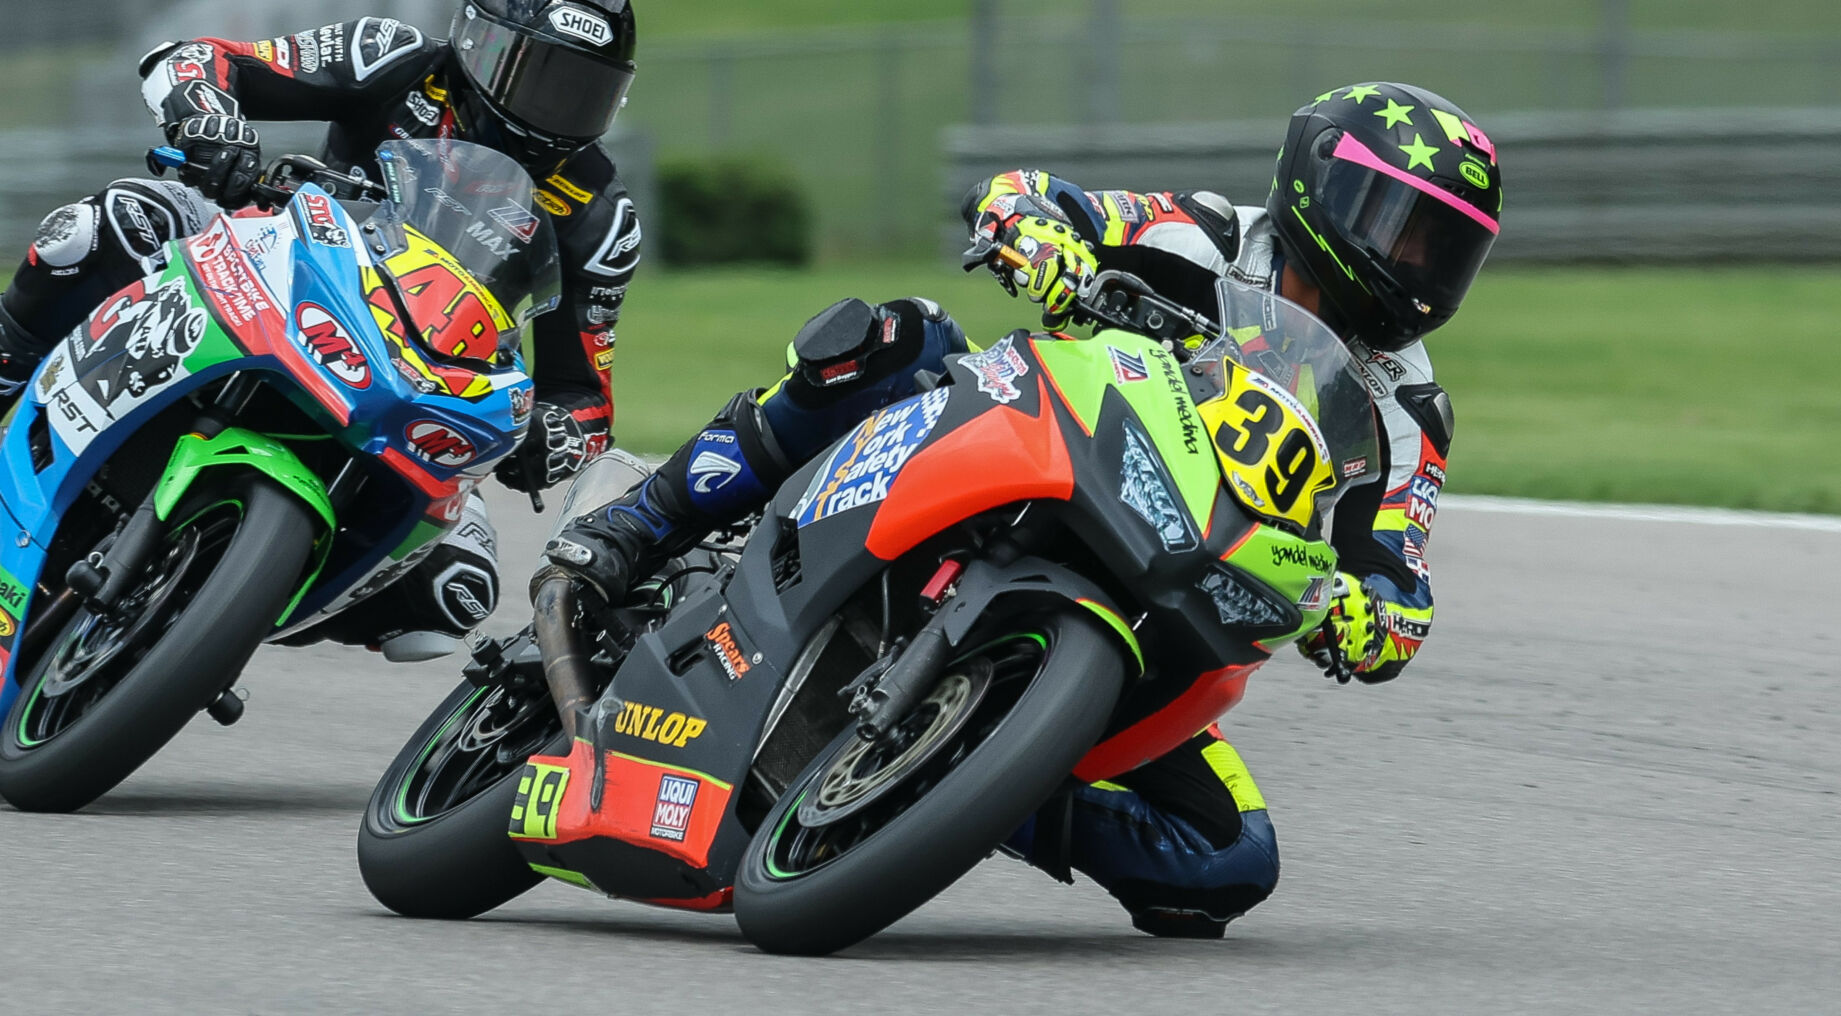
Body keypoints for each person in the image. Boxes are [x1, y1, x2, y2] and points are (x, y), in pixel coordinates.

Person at [543, 82, 1502, 937]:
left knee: (1229, 859)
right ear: (1320, 190)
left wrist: (1369, 615)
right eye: (1402, 226)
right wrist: (1038, 236)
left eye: (1446, 250)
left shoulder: (1409, 410)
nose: (1418, 266)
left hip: (1162, 592)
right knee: (898, 339)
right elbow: (1033, 197)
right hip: (1033, 442)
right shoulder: (1207, 233)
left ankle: (969, 775)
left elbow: (1398, 576)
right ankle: (646, 520)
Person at [0, 2, 644, 659]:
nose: (551, 107)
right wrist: (211, 121)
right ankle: (6, 374)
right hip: (271, 265)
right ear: (479, 42)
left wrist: (556, 434)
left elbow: (584, 395)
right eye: (536, 74)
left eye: (580, 90)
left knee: (457, 590)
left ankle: (196, 626)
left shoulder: (601, 216)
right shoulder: (389, 56)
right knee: (112, 223)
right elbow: (197, 60)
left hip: (423, 380)